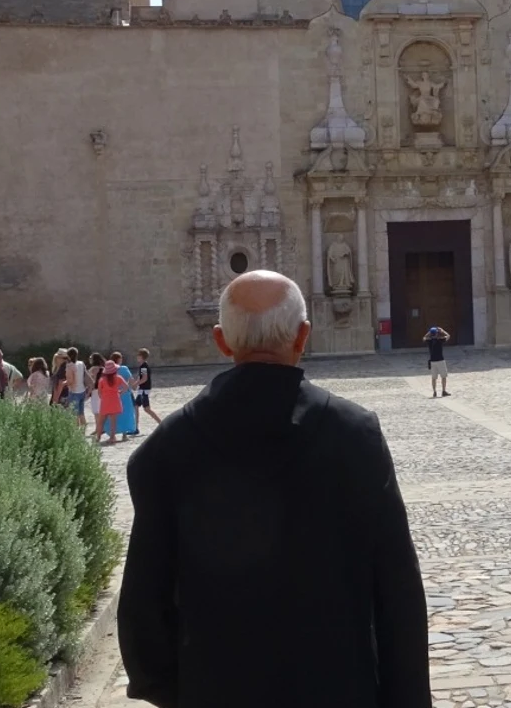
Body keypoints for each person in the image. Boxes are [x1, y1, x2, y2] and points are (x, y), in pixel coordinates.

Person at [118, 270, 428, 708]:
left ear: (222, 341)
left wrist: (180, 692)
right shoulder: (355, 435)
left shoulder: (165, 450)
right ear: (303, 336)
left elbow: (142, 607)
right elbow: (399, 594)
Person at [93, 361, 124, 444]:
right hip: (115, 400)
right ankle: (112, 437)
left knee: (101, 421)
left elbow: (99, 392)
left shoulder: (102, 380)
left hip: (105, 401)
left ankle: (98, 437)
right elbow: (126, 386)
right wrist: (120, 392)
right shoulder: (118, 377)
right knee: (113, 421)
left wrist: (102, 397)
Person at [111, 351, 139, 438]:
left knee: (114, 414)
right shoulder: (124, 368)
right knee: (126, 413)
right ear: (119, 359)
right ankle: (124, 434)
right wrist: (134, 386)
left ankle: (113, 434)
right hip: (125, 393)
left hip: (114, 394)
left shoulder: (110, 369)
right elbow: (131, 380)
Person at [133, 348, 163, 428]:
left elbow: (144, 378)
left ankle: (161, 423)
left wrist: (136, 384)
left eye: (138, 355)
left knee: (147, 409)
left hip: (144, 390)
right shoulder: (142, 366)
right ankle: (136, 426)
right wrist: (137, 383)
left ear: (141, 356)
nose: (137, 357)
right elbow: (141, 377)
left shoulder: (143, 367)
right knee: (136, 405)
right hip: (142, 390)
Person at [425, 325, 451, 398]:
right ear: (437, 333)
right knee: (443, 376)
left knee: (434, 378)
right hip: (440, 360)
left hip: (433, 362)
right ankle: (443, 391)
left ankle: (434, 392)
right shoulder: (440, 340)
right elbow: (448, 336)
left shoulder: (429, 341)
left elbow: (424, 338)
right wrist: (442, 331)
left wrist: (428, 333)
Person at [66, 346, 89, 425]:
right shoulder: (81, 363)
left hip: (74, 391)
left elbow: (71, 381)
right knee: (81, 412)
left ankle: (76, 432)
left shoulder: (70, 366)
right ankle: (83, 431)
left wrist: (65, 383)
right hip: (82, 390)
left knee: (74, 414)